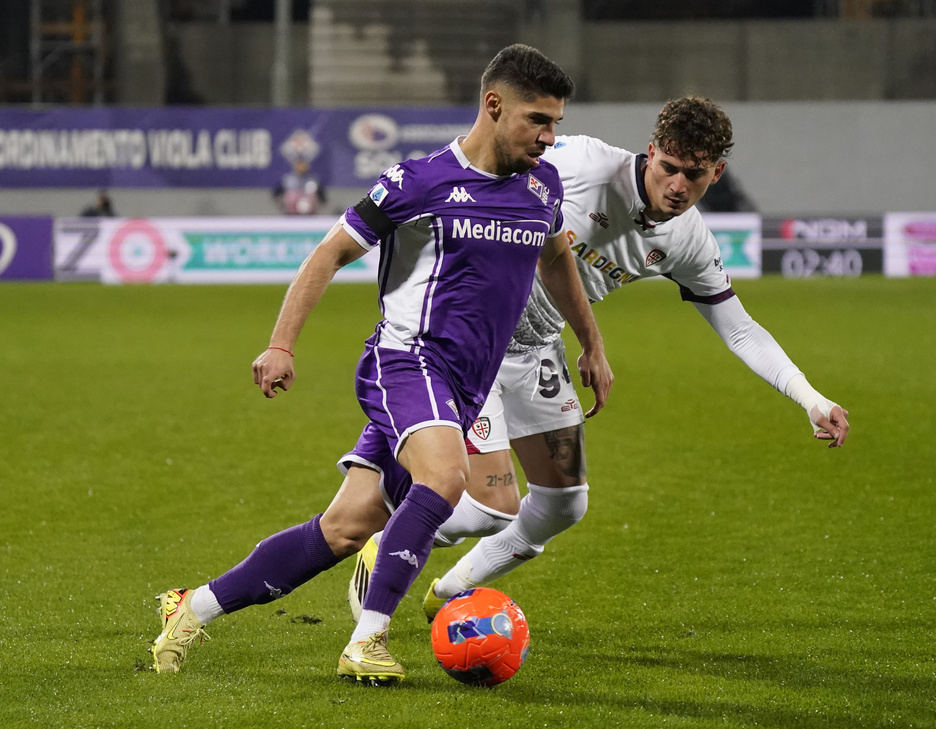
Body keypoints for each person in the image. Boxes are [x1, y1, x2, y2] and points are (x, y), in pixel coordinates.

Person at [150, 44, 612, 684]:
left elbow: (558, 260)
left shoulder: (543, 185)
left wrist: (591, 343)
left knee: (343, 529)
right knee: (448, 479)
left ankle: (192, 606)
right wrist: (281, 344)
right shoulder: (420, 181)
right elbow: (327, 255)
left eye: (556, 122)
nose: (548, 135)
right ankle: (367, 639)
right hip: (408, 362)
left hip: (465, 386)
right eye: (538, 119)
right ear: (493, 104)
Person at [347, 95, 850, 624]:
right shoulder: (583, 162)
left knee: (564, 504)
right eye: (668, 168)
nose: (677, 185)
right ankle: (384, 549)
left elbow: (741, 330)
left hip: (538, 348)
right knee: (495, 504)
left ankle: (450, 591)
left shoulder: (690, 241)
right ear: (650, 152)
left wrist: (811, 398)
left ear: (716, 173)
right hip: (474, 341)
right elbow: (484, 164)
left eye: (693, 175)